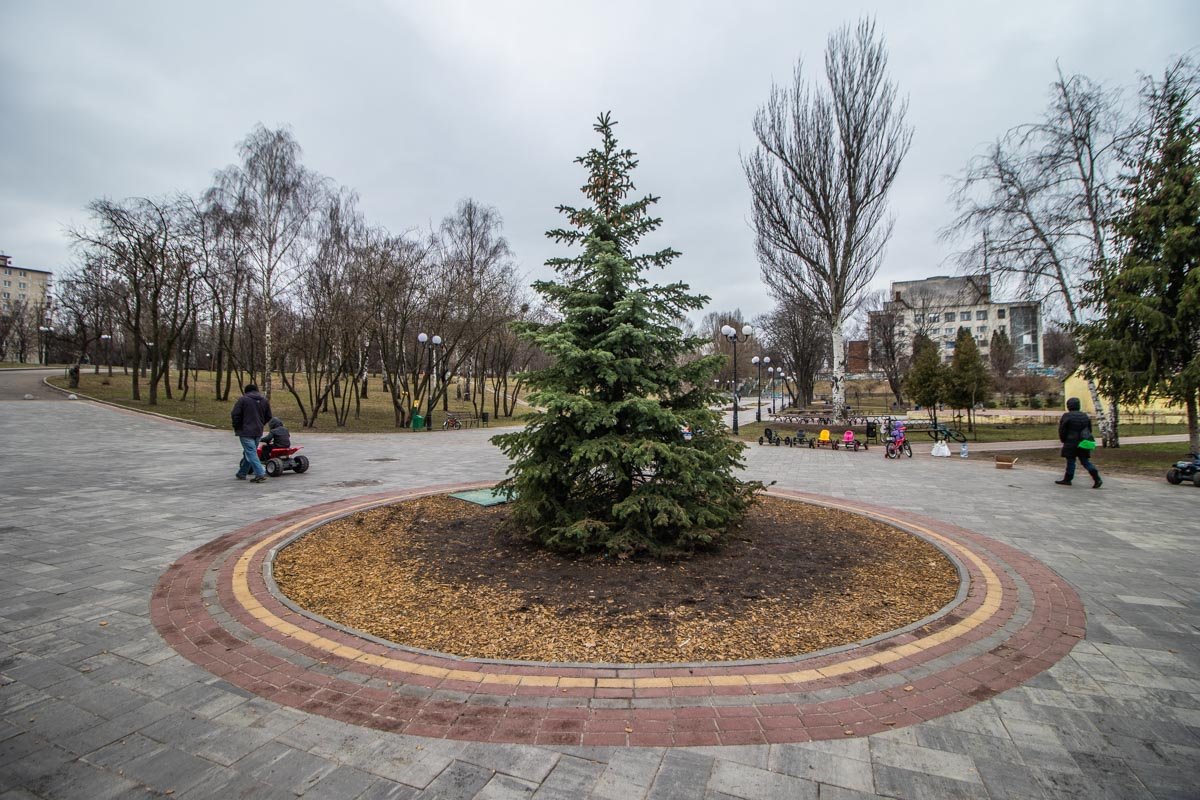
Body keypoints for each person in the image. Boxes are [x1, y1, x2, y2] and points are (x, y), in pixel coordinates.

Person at [1056, 397, 1102, 488]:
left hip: (1071, 441)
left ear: (1069, 406)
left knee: (1071, 461)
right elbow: (1089, 430)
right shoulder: (1085, 416)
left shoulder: (1067, 416)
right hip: (1083, 441)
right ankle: (1096, 478)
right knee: (1085, 461)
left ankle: (1068, 479)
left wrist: (1063, 439)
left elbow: (1062, 430)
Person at [232, 383, 272, 483]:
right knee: (249, 452)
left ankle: (260, 473)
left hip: (245, 431)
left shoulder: (243, 399)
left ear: (246, 391)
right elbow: (269, 416)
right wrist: (261, 424)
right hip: (258, 431)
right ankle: (242, 473)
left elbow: (235, 414)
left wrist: (237, 426)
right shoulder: (264, 400)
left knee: (251, 452)